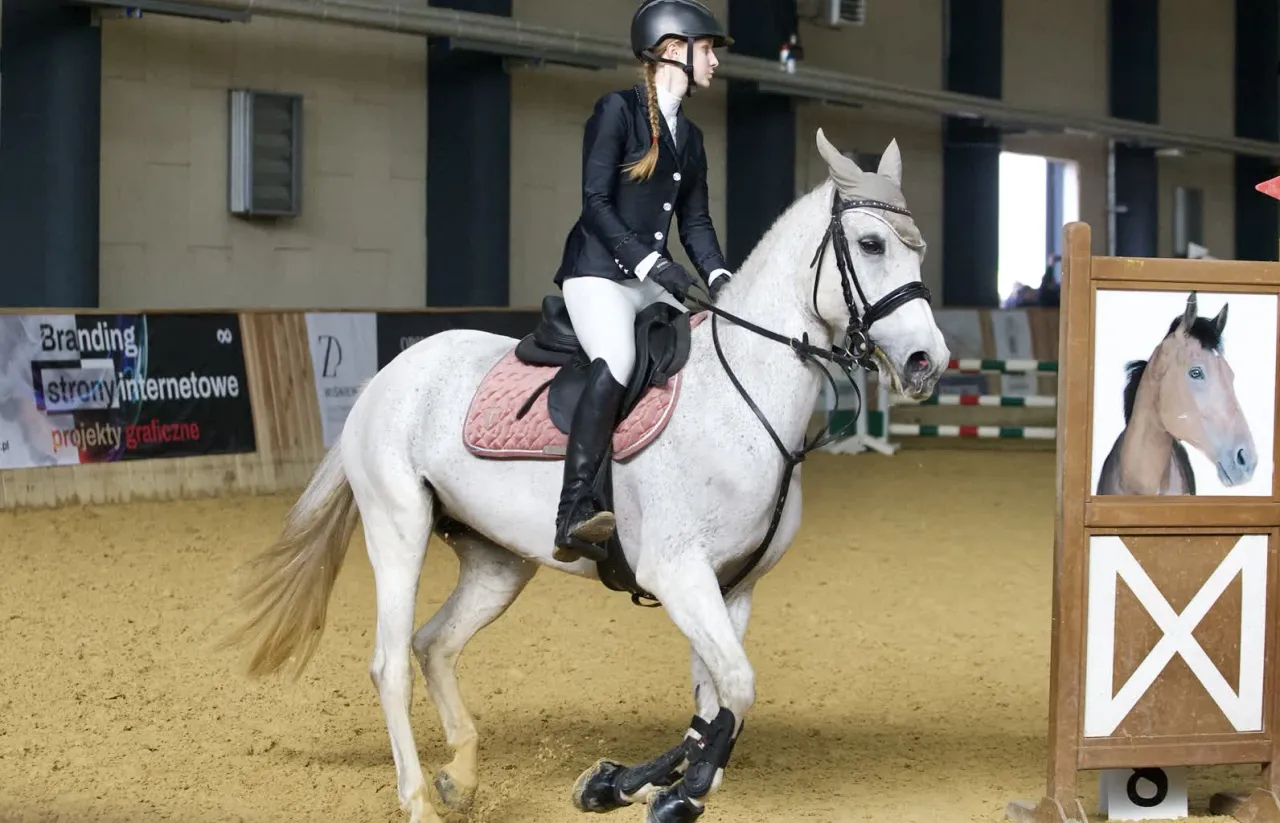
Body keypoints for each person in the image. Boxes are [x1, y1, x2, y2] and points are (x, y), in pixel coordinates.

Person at [549, 0, 734, 563]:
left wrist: (723, 278)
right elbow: (595, 203)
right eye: (708, 51)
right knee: (619, 360)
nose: (715, 64)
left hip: (650, 279)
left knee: (704, 354)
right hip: (598, 272)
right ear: (674, 51)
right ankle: (576, 507)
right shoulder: (617, 111)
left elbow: (695, 223)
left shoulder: (691, 137)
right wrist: (652, 265)